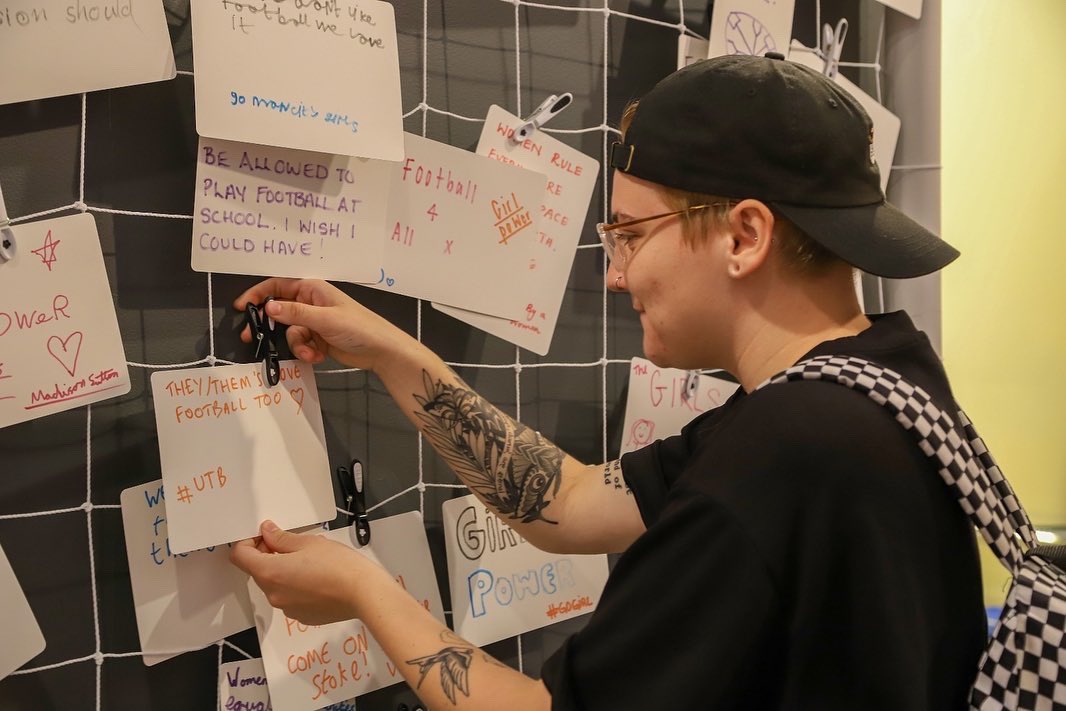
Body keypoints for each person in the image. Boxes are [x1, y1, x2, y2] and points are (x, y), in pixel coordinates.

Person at [230, 53, 985, 710]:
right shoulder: (877, 384)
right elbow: (571, 503)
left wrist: (367, 591)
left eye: (630, 232)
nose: (615, 275)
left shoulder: (779, 461)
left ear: (744, 235)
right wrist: (392, 351)